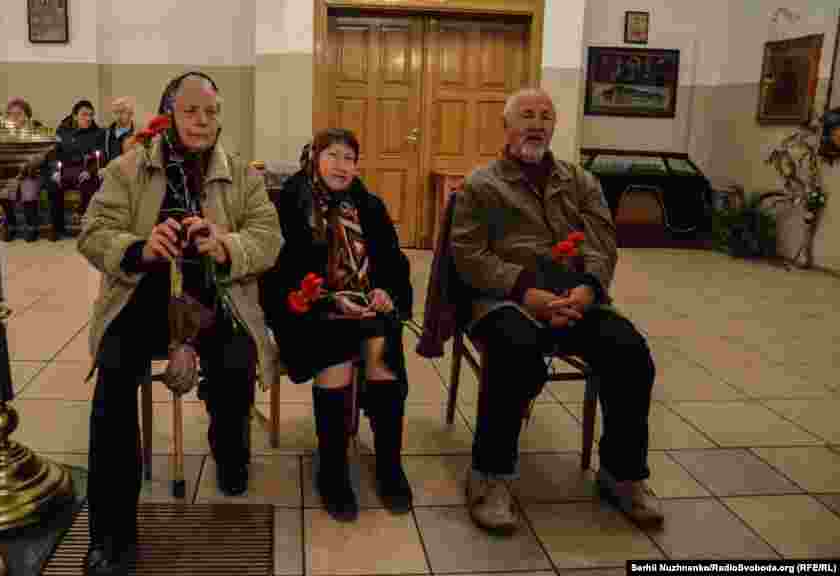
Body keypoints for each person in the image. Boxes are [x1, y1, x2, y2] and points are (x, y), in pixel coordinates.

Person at [77, 72, 282, 575]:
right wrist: (139, 246)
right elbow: (92, 233)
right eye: (191, 111)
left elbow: (269, 240)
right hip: (141, 301)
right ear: (170, 113)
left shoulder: (242, 174)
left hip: (218, 299)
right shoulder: (127, 170)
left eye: (211, 112)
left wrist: (226, 243)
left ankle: (229, 448)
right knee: (113, 383)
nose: (202, 121)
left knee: (236, 362)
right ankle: (110, 533)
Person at [449, 88, 663, 533]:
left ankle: (622, 474)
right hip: (505, 299)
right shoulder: (481, 184)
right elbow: (468, 255)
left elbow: (603, 242)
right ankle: (490, 476)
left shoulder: (580, 181)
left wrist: (588, 287)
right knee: (515, 352)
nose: (537, 122)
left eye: (546, 116)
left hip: (576, 297)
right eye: (526, 114)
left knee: (630, 351)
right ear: (506, 127)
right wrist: (526, 290)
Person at [264, 129, 414, 522]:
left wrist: (385, 292)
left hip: (363, 306)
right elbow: (279, 273)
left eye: (349, 158)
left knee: (383, 345)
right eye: (333, 156)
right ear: (315, 157)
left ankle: (389, 465)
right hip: (308, 309)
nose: (341, 166)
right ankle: (332, 471)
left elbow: (394, 262)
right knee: (337, 351)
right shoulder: (292, 202)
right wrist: (330, 299)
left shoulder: (369, 204)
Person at [45, 99, 104, 241]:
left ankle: (87, 227)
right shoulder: (62, 131)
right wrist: (55, 171)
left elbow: (100, 156)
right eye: (84, 115)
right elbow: (53, 154)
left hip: (84, 171)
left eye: (91, 115)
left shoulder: (98, 133)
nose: (88, 118)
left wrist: (89, 171)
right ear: (75, 116)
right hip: (64, 170)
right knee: (53, 185)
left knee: (91, 183)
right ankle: (57, 227)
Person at [0, 98, 47, 242]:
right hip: (10, 173)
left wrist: (26, 166)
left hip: (31, 173)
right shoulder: (4, 134)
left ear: (27, 115)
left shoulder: (37, 131)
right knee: (3, 191)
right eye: (11, 114)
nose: (14, 117)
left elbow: (42, 154)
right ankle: (10, 225)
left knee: (28, 190)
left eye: (18, 114)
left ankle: (32, 226)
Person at [102, 97, 135, 165]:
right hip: (109, 173)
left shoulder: (137, 134)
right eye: (116, 112)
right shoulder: (106, 133)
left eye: (122, 112)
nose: (119, 116)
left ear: (131, 113)